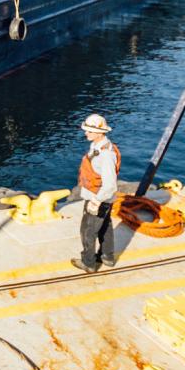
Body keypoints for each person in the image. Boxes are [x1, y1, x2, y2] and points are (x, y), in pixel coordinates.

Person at [72, 113, 121, 272]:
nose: (86, 133)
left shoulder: (105, 155)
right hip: (101, 197)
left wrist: (96, 201)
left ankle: (88, 263)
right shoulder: (100, 146)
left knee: (88, 230)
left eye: (90, 131)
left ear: (100, 133)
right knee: (105, 226)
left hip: (98, 198)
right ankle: (107, 257)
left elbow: (110, 185)